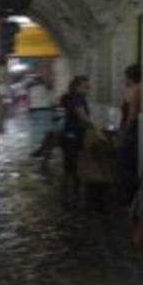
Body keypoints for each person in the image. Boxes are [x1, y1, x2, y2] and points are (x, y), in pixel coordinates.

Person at [60, 76, 91, 205]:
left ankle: (70, 196)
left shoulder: (75, 98)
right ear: (77, 86)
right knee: (72, 167)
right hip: (72, 136)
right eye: (85, 86)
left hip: (73, 135)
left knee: (72, 167)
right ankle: (71, 197)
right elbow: (82, 116)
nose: (88, 89)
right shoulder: (75, 99)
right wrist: (95, 128)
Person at [119, 64, 142, 202]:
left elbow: (132, 115)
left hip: (131, 132)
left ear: (130, 77)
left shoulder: (135, 90)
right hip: (131, 131)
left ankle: (129, 197)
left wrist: (125, 132)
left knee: (127, 164)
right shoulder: (135, 89)